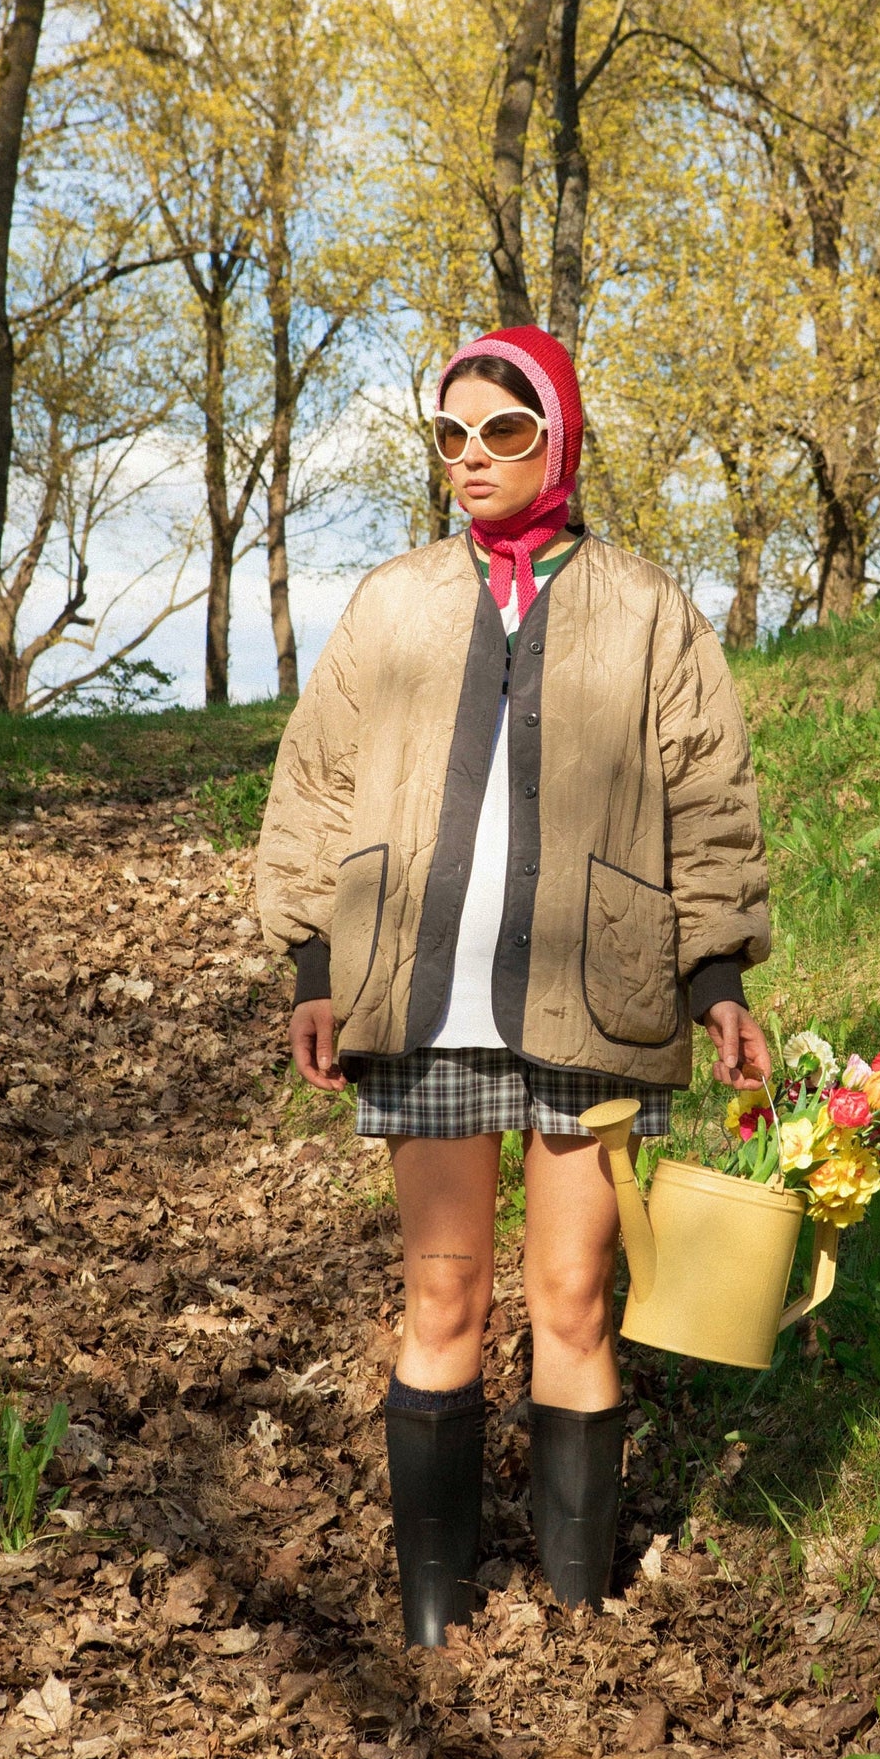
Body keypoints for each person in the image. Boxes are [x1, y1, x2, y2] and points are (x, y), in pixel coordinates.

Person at [256, 324, 771, 1647]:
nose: (473, 456)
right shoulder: (393, 602)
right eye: (450, 435)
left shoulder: (646, 608)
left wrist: (716, 975)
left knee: (573, 1303)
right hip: (418, 999)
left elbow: (709, 796)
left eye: (504, 430)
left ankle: (578, 1617)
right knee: (443, 1298)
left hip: (599, 999)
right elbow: (315, 783)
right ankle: (435, 1621)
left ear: (559, 438)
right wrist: (313, 961)